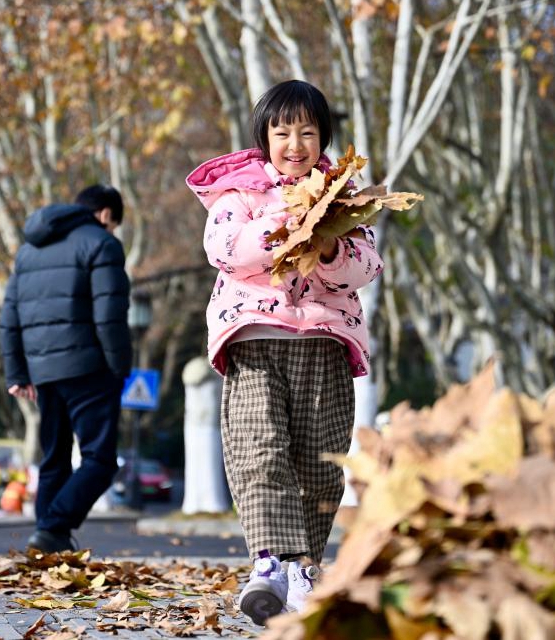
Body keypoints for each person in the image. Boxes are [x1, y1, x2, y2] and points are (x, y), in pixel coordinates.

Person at [186, 80, 384, 624]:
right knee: (259, 447)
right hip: (254, 337)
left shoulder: (342, 195)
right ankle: (269, 562)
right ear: (264, 137)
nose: (294, 143)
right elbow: (225, 250)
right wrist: (284, 225)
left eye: (307, 131)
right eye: (282, 131)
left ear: (322, 138)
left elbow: (366, 267)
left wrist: (326, 246)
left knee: (319, 462)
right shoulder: (239, 193)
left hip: (323, 339)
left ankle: (304, 568)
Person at [0, 184, 132, 554]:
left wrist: (17, 373)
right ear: (106, 215)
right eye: (114, 224)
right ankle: (54, 526)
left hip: (43, 372)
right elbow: (110, 315)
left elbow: (8, 317)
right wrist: (120, 367)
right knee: (100, 461)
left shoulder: (29, 250)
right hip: (90, 368)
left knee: (54, 458)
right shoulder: (102, 244)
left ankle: (48, 541)